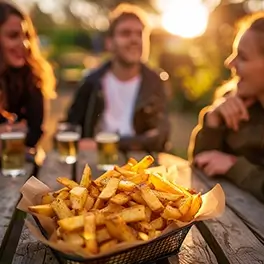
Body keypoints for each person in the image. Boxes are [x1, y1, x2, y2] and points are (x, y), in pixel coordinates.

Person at [66, 3, 170, 152]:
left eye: (139, 34)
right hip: (96, 164)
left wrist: (105, 144)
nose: (134, 39)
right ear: (109, 43)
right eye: (126, 33)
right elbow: (71, 127)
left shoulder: (155, 82)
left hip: (141, 166)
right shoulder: (91, 82)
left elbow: (160, 137)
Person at [188, 12, 264, 202]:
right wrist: (213, 120)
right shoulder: (231, 99)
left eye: (243, 57)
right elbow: (199, 164)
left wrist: (233, 165)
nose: (229, 62)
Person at [0, 1, 56, 152]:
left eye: (26, 36)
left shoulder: (32, 74)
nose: (24, 44)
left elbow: (34, 133)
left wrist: (7, 132)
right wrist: (17, 130)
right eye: (13, 36)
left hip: (21, 165)